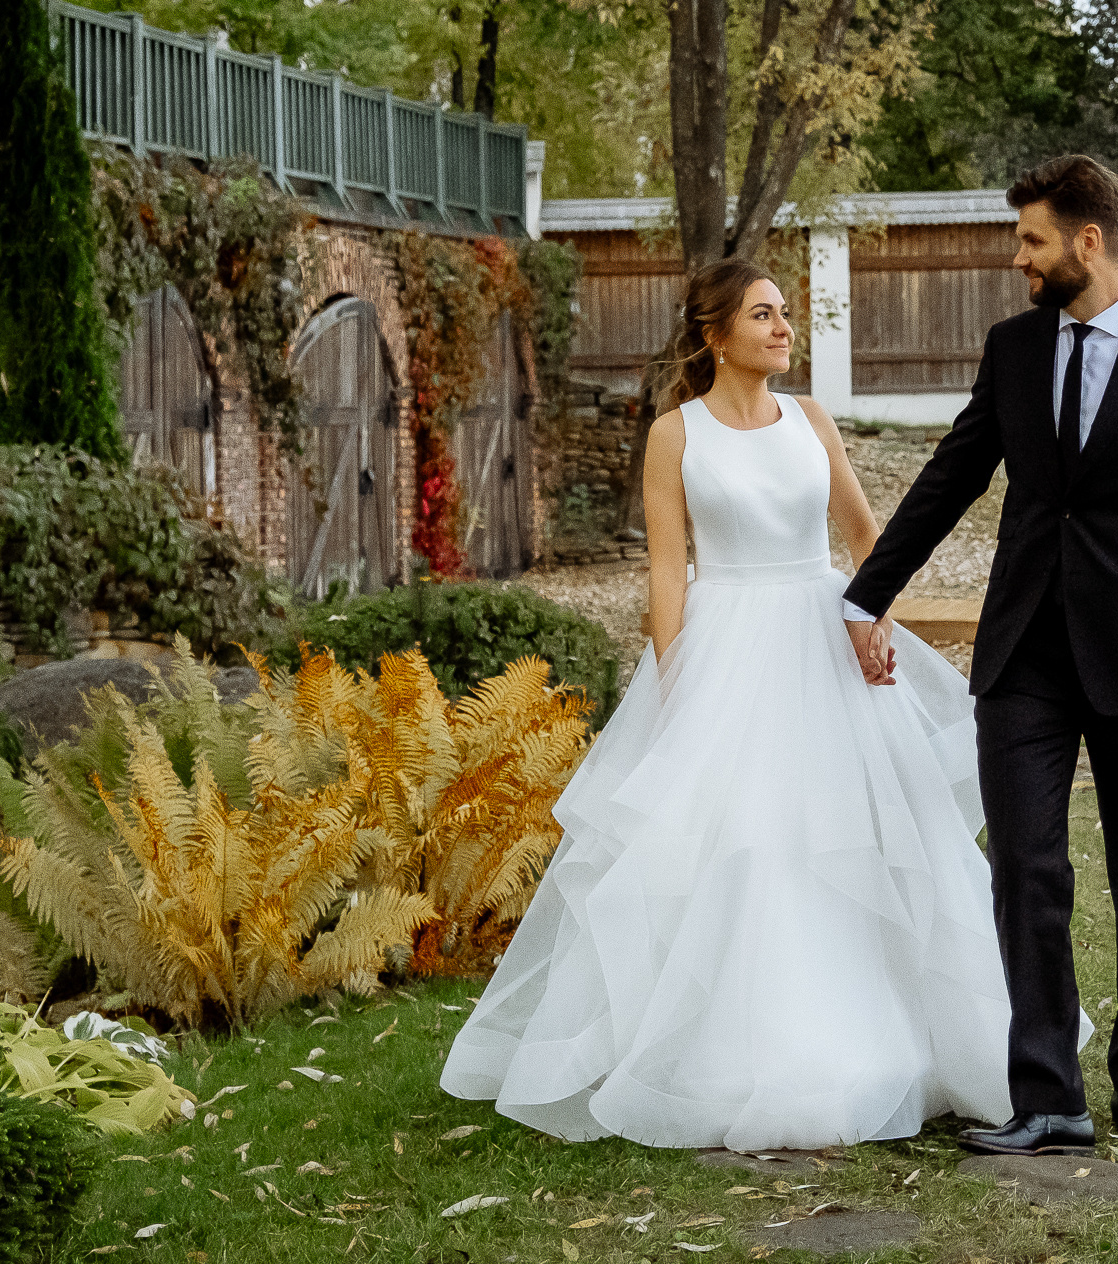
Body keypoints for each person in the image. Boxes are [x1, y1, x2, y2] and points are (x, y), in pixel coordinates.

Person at [440, 257, 1072, 1151]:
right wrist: (674, 683)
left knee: (866, 839)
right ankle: (734, 1053)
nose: (784, 329)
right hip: (727, 647)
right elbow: (666, 568)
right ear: (715, 335)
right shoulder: (675, 434)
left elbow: (864, 536)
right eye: (763, 315)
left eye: (785, 314)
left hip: (823, 642)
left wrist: (874, 617)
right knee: (747, 845)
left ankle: (912, 1038)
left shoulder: (813, 421)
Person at [842, 153, 1118, 1156]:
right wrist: (866, 591)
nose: (1017, 258)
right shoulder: (1014, 349)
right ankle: (1048, 1096)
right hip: (1025, 647)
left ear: (1088, 240)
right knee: (1026, 865)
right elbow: (952, 475)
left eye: (1031, 239)